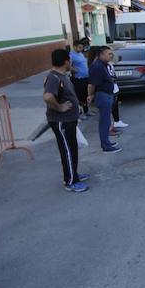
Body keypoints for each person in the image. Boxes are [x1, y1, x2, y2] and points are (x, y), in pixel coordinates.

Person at [43, 49, 88, 193]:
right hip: (61, 120)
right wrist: (60, 107)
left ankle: (73, 174)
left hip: (69, 120)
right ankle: (70, 181)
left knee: (72, 148)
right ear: (65, 62)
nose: (71, 62)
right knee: (67, 150)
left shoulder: (61, 76)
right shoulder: (53, 77)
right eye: (69, 59)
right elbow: (48, 97)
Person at [87, 46, 121, 153]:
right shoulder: (97, 66)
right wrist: (90, 95)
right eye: (108, 54)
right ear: (101, 55)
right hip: (103, 95)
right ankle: (106, 146)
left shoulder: (103, 65)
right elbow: (92, 84)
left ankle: (107, 142)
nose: (111, 56)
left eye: (111, 53)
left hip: (107, 95)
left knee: (106, 121)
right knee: (104, 121)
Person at [69, 41, 90, 117]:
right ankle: (80, 114)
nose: (81, 49)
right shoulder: (71, 55)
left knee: (85, 95)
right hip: (78, 79)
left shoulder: (80, 54)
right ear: (74, 46)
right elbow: (68, 66)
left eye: (82, 47)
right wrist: (74, 70)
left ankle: (86, 111)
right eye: (79, 47)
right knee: (80, 96)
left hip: (85, 78)